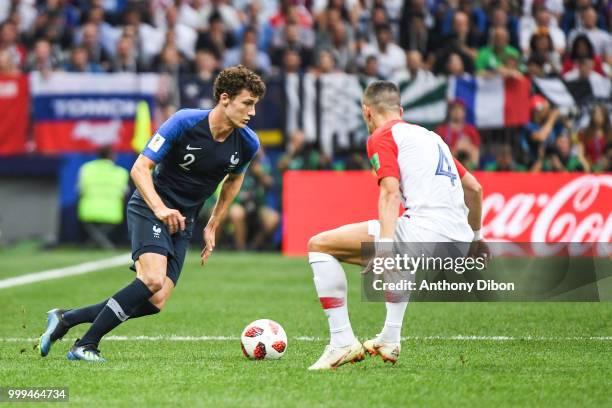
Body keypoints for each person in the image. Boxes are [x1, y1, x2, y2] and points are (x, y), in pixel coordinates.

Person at [38, 65, 266, 362]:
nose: (252, 112)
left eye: (255, 105)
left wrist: (213, 223)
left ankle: (66, 319)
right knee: (152, 280)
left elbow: (234, 179)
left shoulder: (247, 142)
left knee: (156, 300)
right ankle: (85, 345)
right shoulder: (184, 122)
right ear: (225, 98)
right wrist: (160, 207)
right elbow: (139, 168)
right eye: (247, 103)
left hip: (184, 220)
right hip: (151, 206)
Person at [306, 81, 486, 370]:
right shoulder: (432, 137)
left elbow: (389, 192)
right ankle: (389, 338)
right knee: (405, 242)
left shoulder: (382, 136)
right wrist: (477, 238)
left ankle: (341, 343)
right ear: (400, 110)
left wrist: (386, 249)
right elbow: (475, 189)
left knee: (320, 246)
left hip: (426, 232)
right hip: (459, 243)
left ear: (367, 112)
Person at [77, 146, 129, 250]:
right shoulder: (121, 172)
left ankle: (92, 243)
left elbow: (80, 191)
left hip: (88, 211)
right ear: (113, 156)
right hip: (112, 212)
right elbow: (125, 193)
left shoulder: (86, 169)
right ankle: (106, 244)